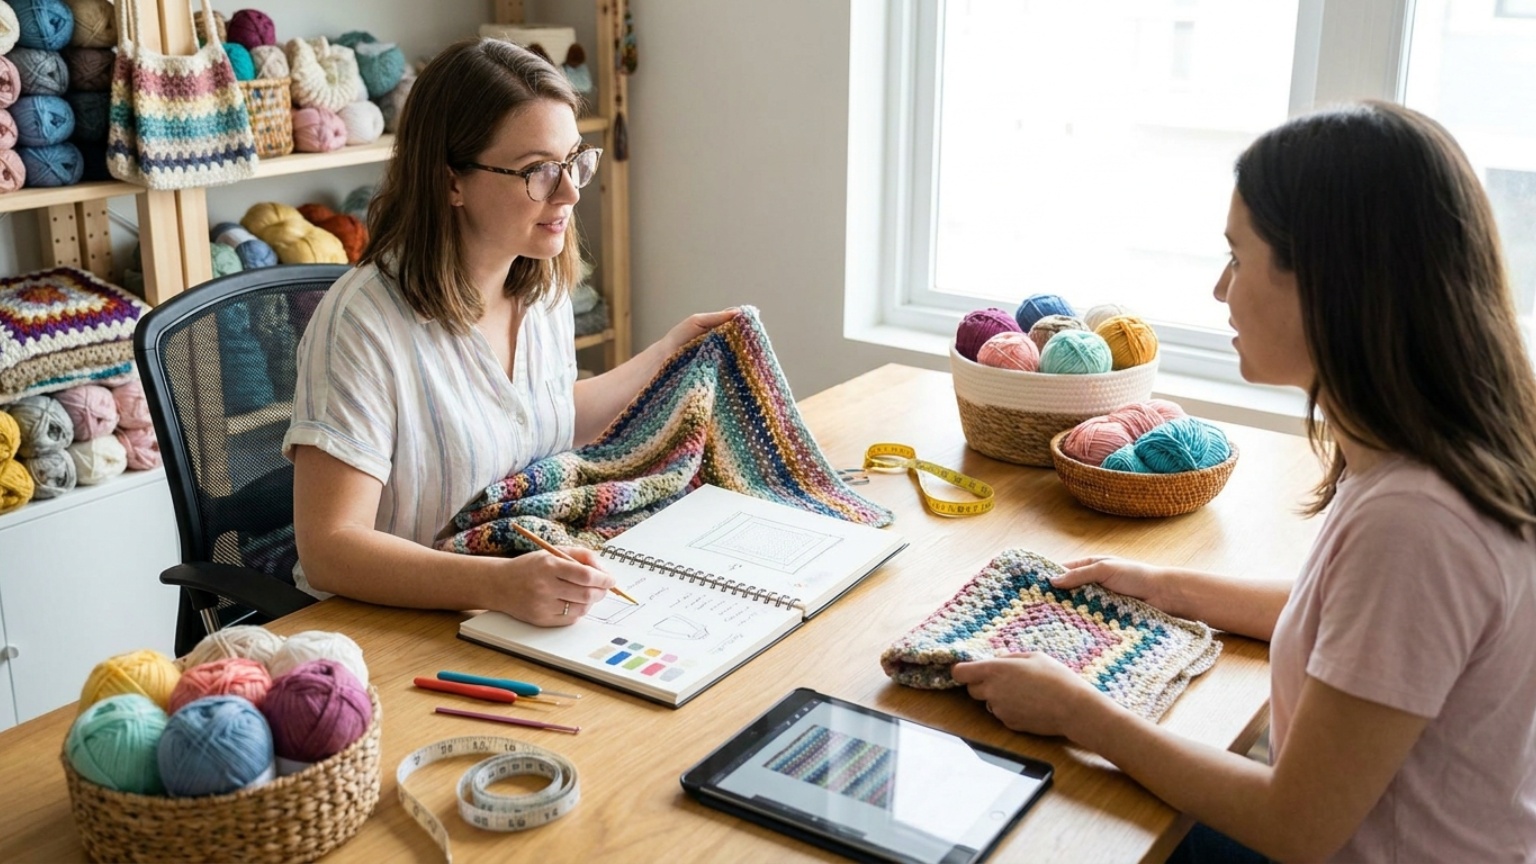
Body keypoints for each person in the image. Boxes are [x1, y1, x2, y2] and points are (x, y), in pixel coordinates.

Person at [951, 101, 1536, 863]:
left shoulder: (1417, 524)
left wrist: (1079, 714)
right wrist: (1164, 586)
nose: (1220, 290)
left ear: (1327, 280)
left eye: (1237, 256)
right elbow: (1352, 624)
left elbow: (1296, 826)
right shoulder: (1437, 456)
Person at [283, 38, 735, 627]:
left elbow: (544, 417)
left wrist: (671, 352)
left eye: (574, 161)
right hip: (388, 626)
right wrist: (499, 585)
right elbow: (329, 549)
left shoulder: (541, 288)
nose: (570, 192)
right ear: (450, 181)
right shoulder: (361, 324)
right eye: (539, 171)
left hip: (507, 607)